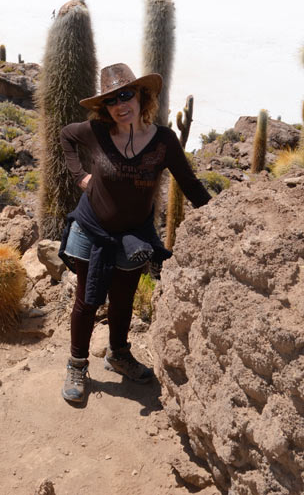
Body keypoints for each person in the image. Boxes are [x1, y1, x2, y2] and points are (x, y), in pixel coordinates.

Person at [58, 63, 210, 404]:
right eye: (111, 100)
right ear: (105, 107)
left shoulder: (163, 141)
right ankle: (77, 364)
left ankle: (118, 354)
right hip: (91, 229)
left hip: (132, 235)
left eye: (126, 95)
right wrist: (79, 176)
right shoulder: (96, 132)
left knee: (123, 298)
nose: (119, 105)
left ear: (142, 97)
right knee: (86, 300)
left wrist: (221, 217)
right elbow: (66, 135)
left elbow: (190, 184)